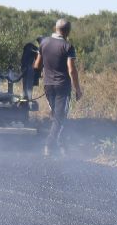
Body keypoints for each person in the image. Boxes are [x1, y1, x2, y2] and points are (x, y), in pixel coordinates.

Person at [32, 19, 82, 156]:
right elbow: (71, 70)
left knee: (57, 117)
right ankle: (49, 145)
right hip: (62, 87)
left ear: (55, 28)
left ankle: (62, 148)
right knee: (59, 118)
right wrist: (78, 89)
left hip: (48, 86)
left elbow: (37, 65)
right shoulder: (68, 46)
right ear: (68, 31)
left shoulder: (44, 43)